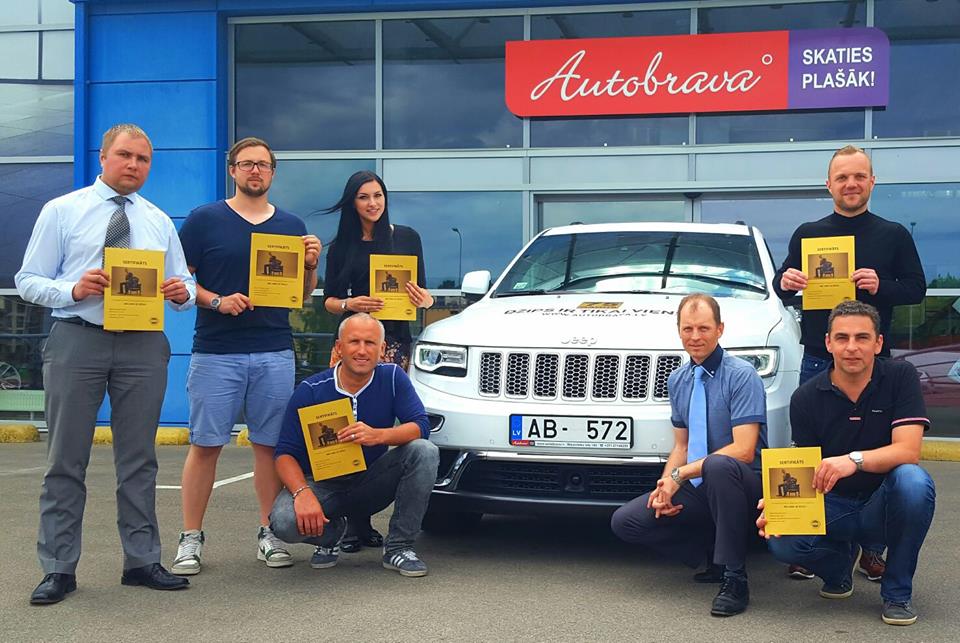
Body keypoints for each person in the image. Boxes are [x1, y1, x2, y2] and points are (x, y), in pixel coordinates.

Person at [15, 123, 196, 604]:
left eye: (143, 159)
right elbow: (28, 280)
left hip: (143, 345)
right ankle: (58, 567)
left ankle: (141, 560)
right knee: (65, 459)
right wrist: (72, 289)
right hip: (78, 339)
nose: (134, 165)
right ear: (103, 157)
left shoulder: (158, 219)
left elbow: (185, 284)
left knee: (139, 459)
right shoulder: (62, 210)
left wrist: (182, 293)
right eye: (125, 155)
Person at [773, 144, 926, 582]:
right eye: (842, 177)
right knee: (815, 453)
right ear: (829, 185)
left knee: (879, 454)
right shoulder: (808, 233)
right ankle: (814, 535)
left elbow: (916, 288)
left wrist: (881, 285)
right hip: (818, 360)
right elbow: (783, 287)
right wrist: (786, 280)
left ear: (872, 182)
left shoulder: (893, 234)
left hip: (875, 366)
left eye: (859, 176)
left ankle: (872, 548)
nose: (851, 184)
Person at [170, 137, 321, 576]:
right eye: (247, 164)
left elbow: (301, 296)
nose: (255, 171)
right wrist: (217, 301)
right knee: (205, 446)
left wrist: (311, 266)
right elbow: (180, 281)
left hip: (274, 349)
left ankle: (268, 533)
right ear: (232, 170)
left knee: (269, 447)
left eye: (263, 164)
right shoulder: (204, 220)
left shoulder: (292, 225)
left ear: (273, 172)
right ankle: (190, 537)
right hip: (217, 351)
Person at [759, 301, 935, 626]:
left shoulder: (900, 376)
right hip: (835, 505)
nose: (851, 347)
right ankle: (839, 566)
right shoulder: (805, 398)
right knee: (781, 540)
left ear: (878, 343)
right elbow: (804, 469)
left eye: (862, 337)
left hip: (884, 502)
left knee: (914, 481)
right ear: (828, 343)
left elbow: (909, 451)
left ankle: (897, 593)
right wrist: (779, 505)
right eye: (842, 338)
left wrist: (853, 461)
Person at [611, 294, 767, 617]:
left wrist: (680, 475)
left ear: (720, 329)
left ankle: (735, 578)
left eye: (704, 328)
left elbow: (744, 450)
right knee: (626, 522)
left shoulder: (742, 375)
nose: (695, 337)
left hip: (744, 487)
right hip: (701, 487)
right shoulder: (678, 380)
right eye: (688, 329)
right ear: (679, 331)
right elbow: (681, 446)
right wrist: (666, 486)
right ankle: (712, 550)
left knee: (719, 465)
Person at [268, 313, 439, 577]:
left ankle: (399, 547)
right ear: (339, 347)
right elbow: (284, 454)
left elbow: (421, 426)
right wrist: (302, 493)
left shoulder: (393, 378)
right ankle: (331, 535)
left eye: (370, 343)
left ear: (382, 349)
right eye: (354, 342)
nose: (361, 350)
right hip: (323, 485)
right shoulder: (311, 390)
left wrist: (379, 436)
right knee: (283, 522)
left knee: (425, 451)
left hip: (372, 481)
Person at [321, 170, 434, 552]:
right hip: (352, 344)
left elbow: (423, 293)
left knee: (382, 426)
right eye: (364, 197)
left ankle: (386, 520)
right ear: (352, 203)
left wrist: (426, 300)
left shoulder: (407, 238)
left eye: (378, 195)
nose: (373, 203)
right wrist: (349, 303)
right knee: (347, 429)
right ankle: (354, 523)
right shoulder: (341, 246)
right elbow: (329, 300)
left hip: (394, 344)